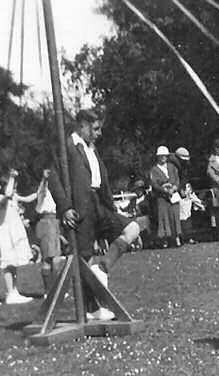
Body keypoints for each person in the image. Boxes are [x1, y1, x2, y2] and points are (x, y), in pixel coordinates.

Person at [48, 110, 140, 321]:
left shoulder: (92, 149)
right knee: (84, 258)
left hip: (100, 205)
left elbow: (101, 180)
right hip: (81, 208)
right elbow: (54, 178)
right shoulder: (67, 146)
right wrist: (65, 208)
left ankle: (103, 267)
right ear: (82, 125)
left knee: (132, 228)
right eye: (96, 128)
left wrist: (111, 207)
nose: (99, 133)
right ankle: (91, 309)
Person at [0, 169, 34, 304]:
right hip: (5, 234)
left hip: (14, 232)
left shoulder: (13, 196)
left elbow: (29, 198)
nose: (14, 188)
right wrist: (12, 177)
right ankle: (10, 293)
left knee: (14, 263)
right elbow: (7, 195)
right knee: (8, 262)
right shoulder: (2, 198)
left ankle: (14, 291)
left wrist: (44, 184)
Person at [35, 168, 64, 297]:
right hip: (46, 221)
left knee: (56, 257)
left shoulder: (56, 189)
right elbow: (40, 192)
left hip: (55, 221)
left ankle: (55, 289)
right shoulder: (43, 190)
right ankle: (49, 290)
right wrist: (44, 179)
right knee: (49, 258)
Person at [150, 146, 182, 248]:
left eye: (165, 155)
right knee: (164, 217)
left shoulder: (172, 167)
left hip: (173, 195)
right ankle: (165, 240)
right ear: (158, 157)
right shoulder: (154, 170)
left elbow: (177, 180)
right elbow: (154, 184)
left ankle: (177, 239)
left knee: (174, 217)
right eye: (161, 156)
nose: (163, 157)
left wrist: (174, 188)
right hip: (162, 197)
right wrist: (164, 190)